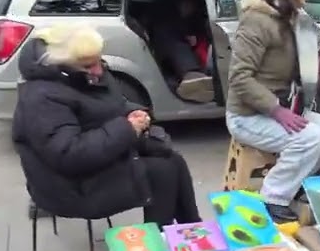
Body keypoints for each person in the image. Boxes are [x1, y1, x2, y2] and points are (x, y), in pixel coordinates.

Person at [13, 24, 202, 226]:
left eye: (98, 62)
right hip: (66, 185)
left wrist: (134, 112)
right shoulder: (42, 97)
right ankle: (157, 245)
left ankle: (192, 228)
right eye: (87, 66)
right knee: (162, 172)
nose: (98, 70)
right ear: (63, 66)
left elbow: (113, 104)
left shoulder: (88, 73)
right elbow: (69, 154)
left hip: (93, 166)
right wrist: (127, 128)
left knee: (173, 159)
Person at [225, 0, 320, 224]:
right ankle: (273, 198)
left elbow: (316, 32)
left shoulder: (293, 14)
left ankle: (295, 182)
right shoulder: (256, 21)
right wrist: (276, 110)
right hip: (248, 115)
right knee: (310, 137)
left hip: (285, 106)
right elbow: (240, 78)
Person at [148, 0, 215, 103]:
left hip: (191, 55)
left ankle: (194, 78)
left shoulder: (195, 17)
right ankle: (192, 76)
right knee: (170, 37)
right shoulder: (164, 18)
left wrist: (193, 36)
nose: (190, 9)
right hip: (166, 51)